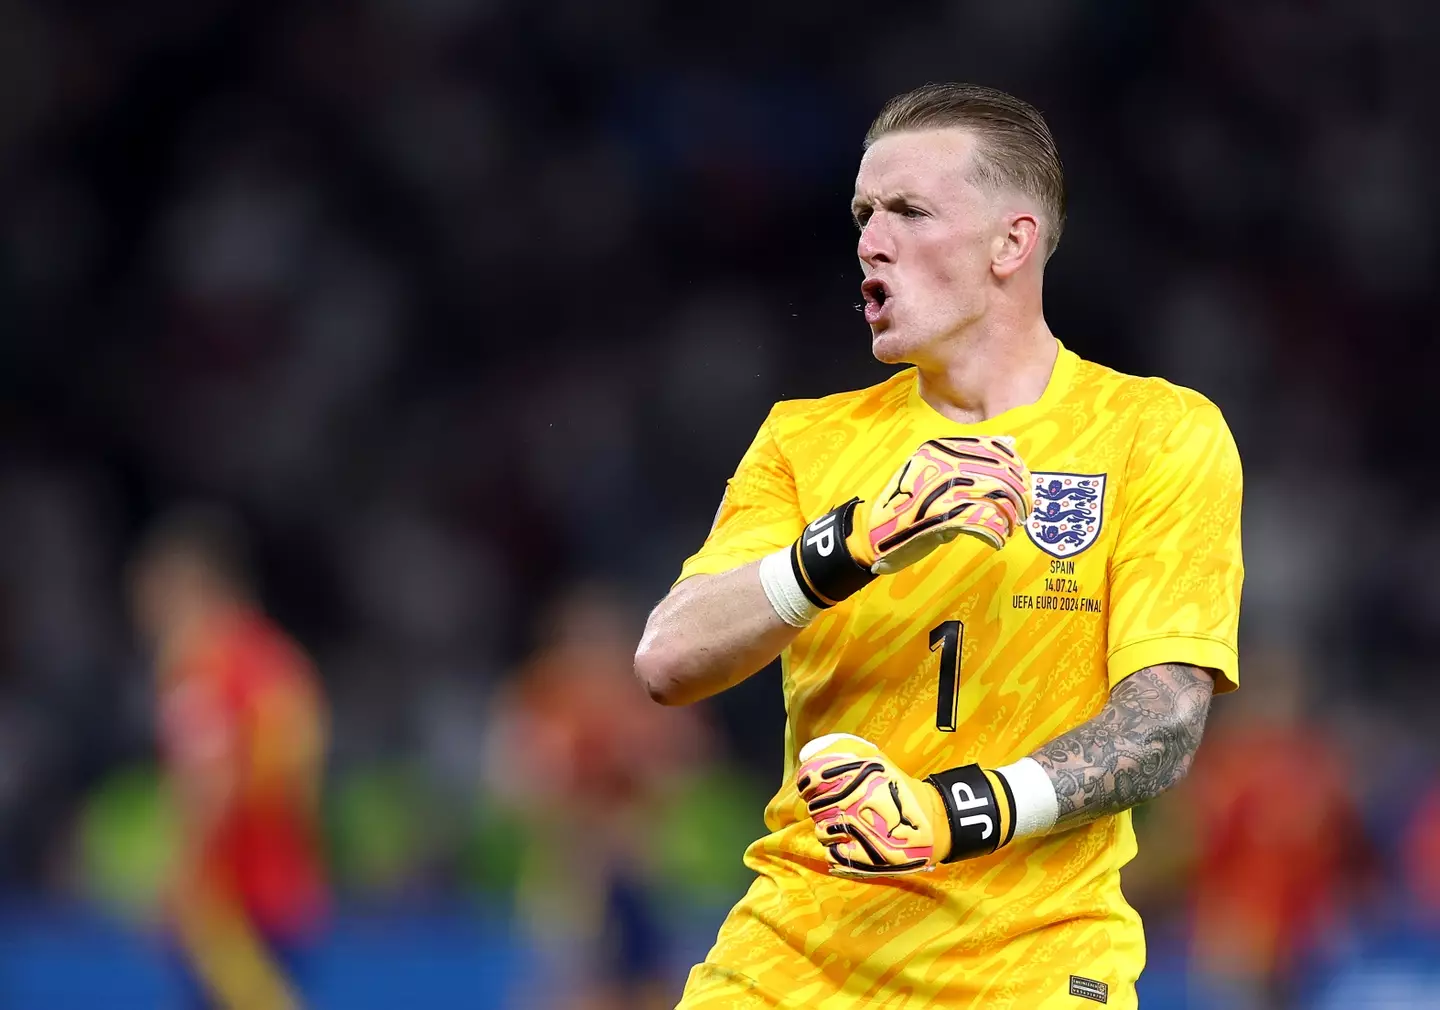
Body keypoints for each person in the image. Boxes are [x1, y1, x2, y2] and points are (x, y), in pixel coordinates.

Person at [634, 83, 1243, 1009]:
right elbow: (668, 658)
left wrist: (951, 814)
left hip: (1029, 964)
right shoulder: (809, 441)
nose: (871, 241)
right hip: (795, 957)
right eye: (864, 214)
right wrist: (850, 544)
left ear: (1014, 242)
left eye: (911, 211)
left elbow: (1158, 727)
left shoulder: (1155, 434)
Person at [129, 506, 329, 1009]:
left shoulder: (203, 666)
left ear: (186, 588)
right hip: (287, 887)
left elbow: (208, 779)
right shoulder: (281, 662)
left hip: (229, 903)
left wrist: (181, 876)